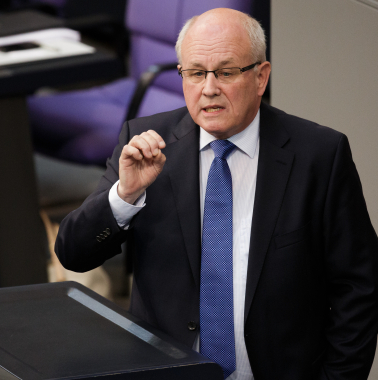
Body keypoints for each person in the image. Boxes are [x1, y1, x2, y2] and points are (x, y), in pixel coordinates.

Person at [55, 8, 378, 380]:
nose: (209, 88)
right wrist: (125, 195)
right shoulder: (144, 143)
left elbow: (358, 288)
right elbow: (73, 254)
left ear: (261, 76)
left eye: (225, 72)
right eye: (195, 73)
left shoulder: (319, 155)